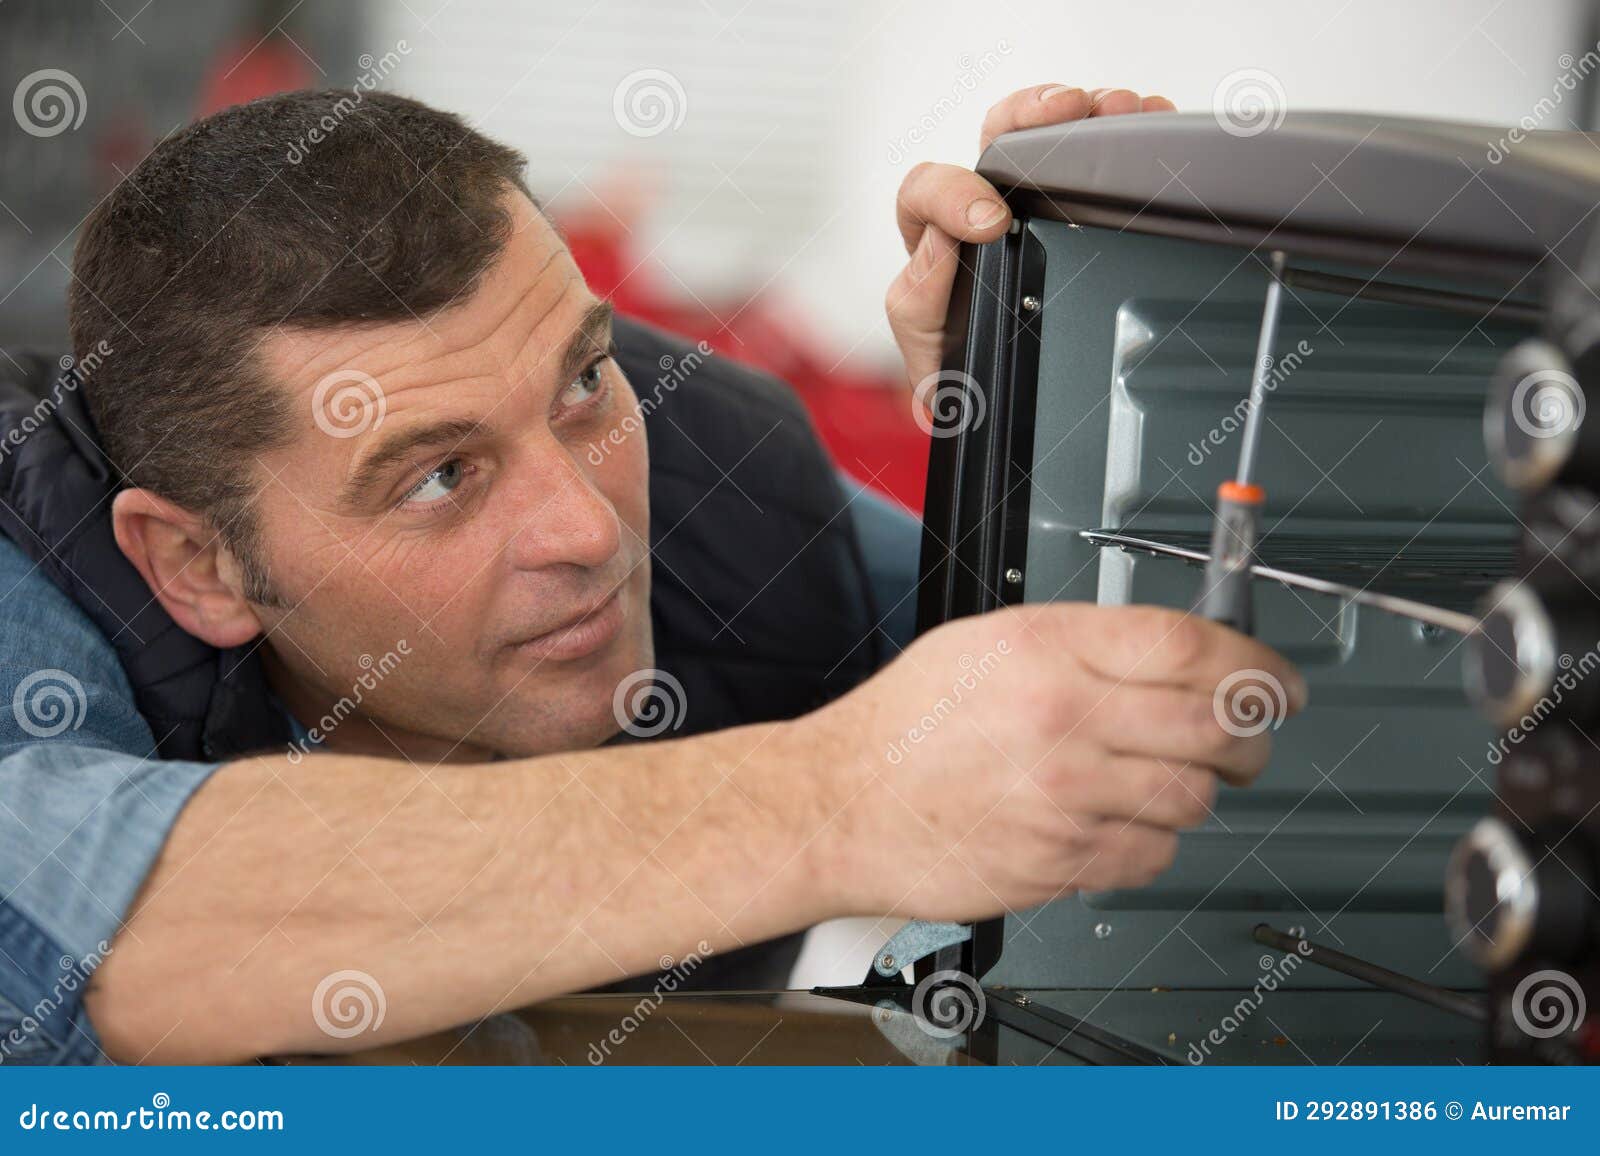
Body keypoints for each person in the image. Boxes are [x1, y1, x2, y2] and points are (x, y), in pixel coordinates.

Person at [0, 85, 1302, 1064]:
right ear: (198, 564)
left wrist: (1060, 416)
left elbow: (1131, 714)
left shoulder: (722, 483)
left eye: (580, 380)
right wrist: (829, 798)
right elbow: (56, 916)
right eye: (439, 476)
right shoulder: (30, 608)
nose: (588, 530)